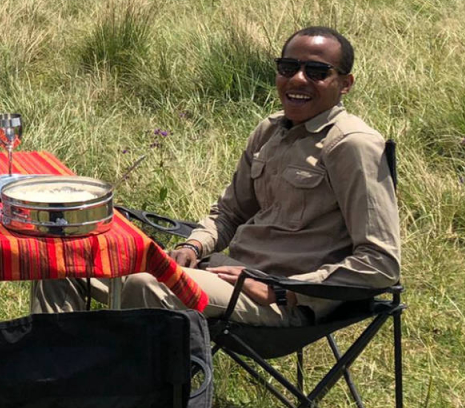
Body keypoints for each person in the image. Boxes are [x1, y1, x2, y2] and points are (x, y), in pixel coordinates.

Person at [33, 26, 399, 324]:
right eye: (288, 68)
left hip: (280, 299)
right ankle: (58, 383)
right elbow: (228, 214)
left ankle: (129, 402)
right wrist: (194, 246)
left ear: (345, 83)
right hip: (225, 271)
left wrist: (285, 290)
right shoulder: (270, 130)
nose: (298, 79)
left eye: (317, 72)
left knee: (146, 285)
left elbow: (380, 263)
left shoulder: (353, 145)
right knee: (66, 262)